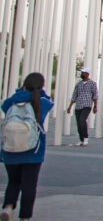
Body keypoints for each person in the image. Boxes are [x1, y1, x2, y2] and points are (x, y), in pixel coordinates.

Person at [1, 73, 53, 221]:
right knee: (29, 185)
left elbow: (4, 106)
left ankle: (8, 207)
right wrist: (40, 92)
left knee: (13, 181)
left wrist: (20, 91)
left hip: (11, 149)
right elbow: (50, 102)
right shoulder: (41, 102)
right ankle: (25, 216)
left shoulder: (11, 101)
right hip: (33, 151)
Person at [66, 68, 98, 147]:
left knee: (82, 120)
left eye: (83, 73)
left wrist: (95, 106)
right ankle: (81, 139)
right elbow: (75, 95)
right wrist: (70, 106)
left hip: (87, 105)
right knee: (78, 123)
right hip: (78, 105)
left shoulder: (92, 83)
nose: (82, 74)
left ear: (87, 74)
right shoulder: (78, 84)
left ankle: (86, 137)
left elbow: (95, 95)